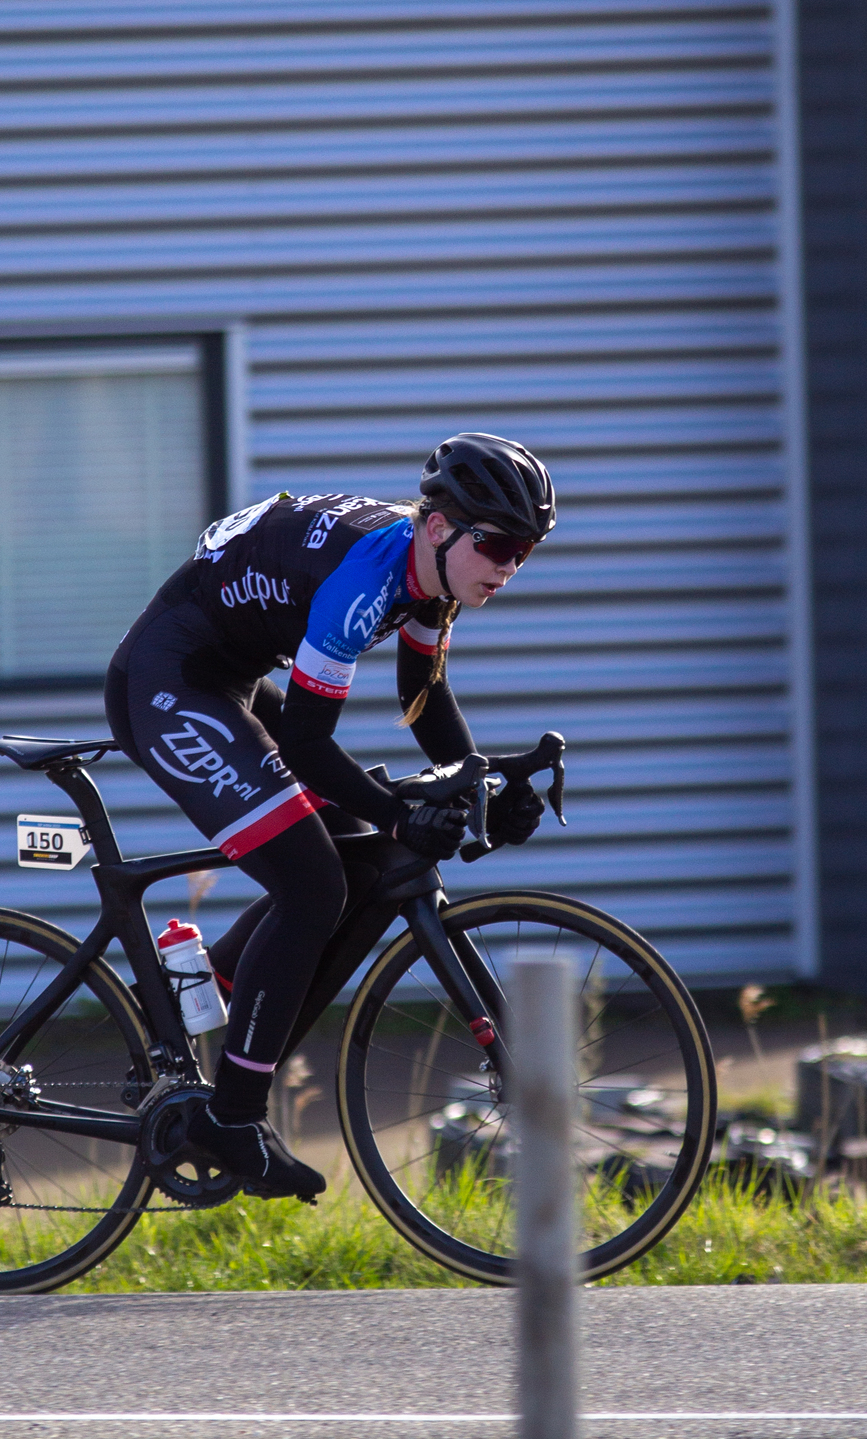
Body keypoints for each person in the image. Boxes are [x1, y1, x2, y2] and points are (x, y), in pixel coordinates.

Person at [104, 432, 556, 1202]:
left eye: (528, 551)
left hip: (230, 677)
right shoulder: (365, 581)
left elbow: (423, 697)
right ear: (442, 527)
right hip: (169, 681)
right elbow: (311, 746)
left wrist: (481, 782)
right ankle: (233, 1118)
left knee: (366, 864)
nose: (510, 567)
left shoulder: (431, 574)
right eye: (502, 545)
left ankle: (201, 1008)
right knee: (312, 882)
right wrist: (402, 813)